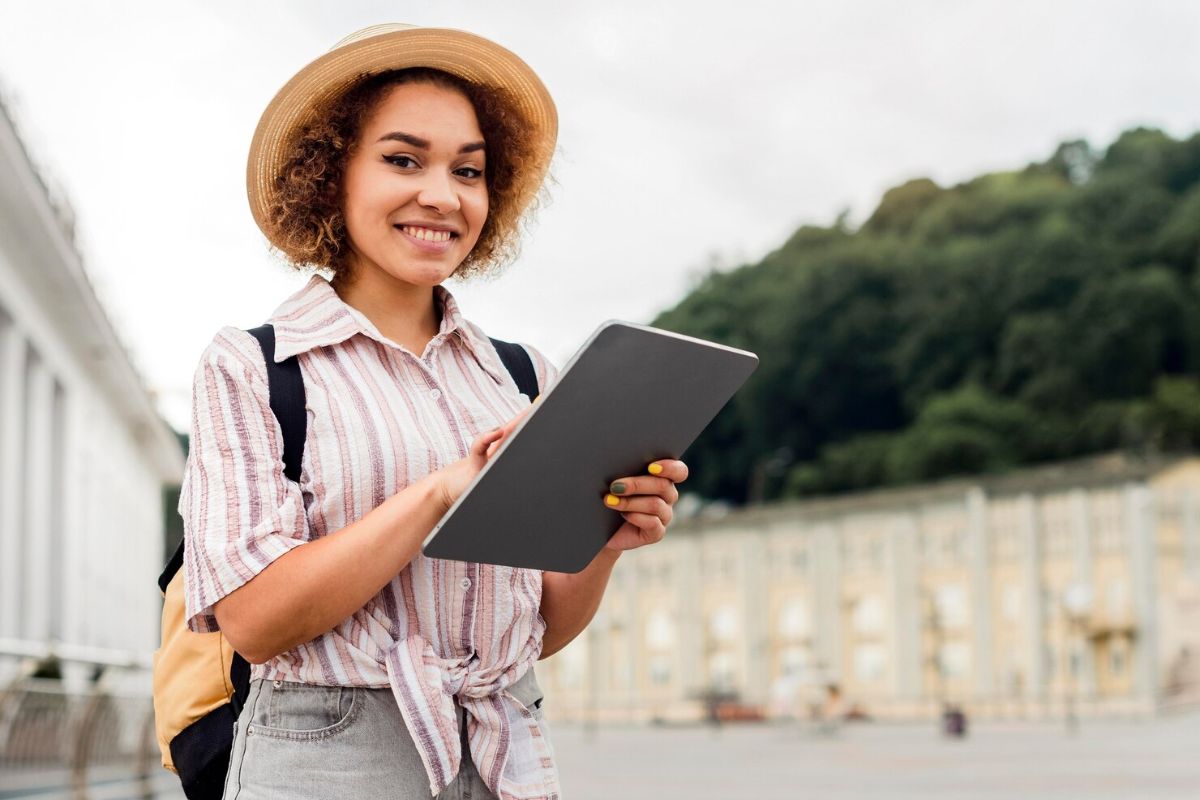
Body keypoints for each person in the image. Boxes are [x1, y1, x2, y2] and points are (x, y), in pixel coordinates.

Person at [179, 23, 688, 800]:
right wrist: (445, 490)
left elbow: (542, 630)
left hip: (500, 750)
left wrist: (604, 544)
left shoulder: (520, 376)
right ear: (330, 175)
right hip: (329, 755)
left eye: (470, 170)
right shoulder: (255, 365)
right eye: (402, 160)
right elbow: (255, 621)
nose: (443, 196)